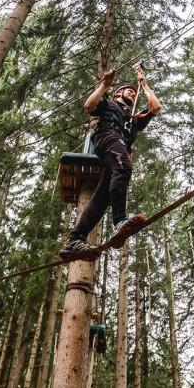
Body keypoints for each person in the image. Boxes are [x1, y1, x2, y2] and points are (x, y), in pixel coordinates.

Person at [60, 65, 161, 261]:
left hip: (118, 146)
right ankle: (120, 221)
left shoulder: (134, 119)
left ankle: (75, 238)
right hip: (107, 137)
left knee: (102, 197)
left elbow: (155, 107)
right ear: (117, 95)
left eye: (134, 93)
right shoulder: (109, 104)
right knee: (123, 167)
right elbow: (89, 106)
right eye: (127, 91)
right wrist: (105, 84)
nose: (132, 94)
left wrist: (144, 85)